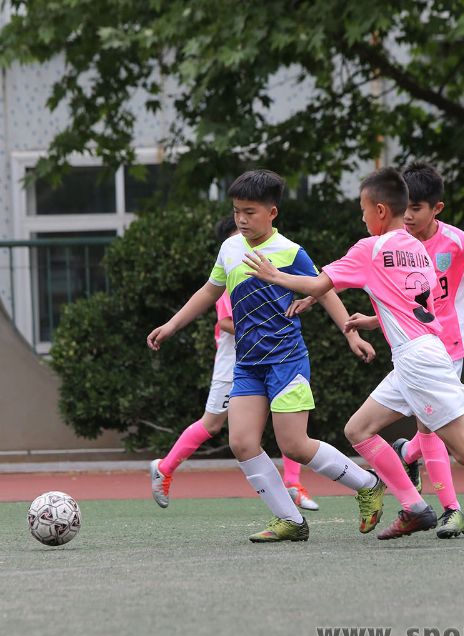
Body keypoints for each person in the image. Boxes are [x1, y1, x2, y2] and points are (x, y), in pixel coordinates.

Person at [244, 167, 464, 547]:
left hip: (419, 361)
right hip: (419, 354)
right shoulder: (417, 249)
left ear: (380, 210)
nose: (361, 216)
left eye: (363, 209)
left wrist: (275, 276)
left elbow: (317, 283)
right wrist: (375, 321)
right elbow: (416, 307)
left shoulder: (370, 248)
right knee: (358, 429)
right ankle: (414, 506)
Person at [147, 169, 385, 543]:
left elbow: (324, 290)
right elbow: (209, 291)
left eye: (250, 212)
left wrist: (350, 333)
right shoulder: (230, 249)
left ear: (272, 212)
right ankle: (290, 520)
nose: (241, 219)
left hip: (286, 360)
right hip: (247, 364)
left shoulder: (290, 251)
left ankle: (369, 484)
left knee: (294, 445)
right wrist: (172, 325)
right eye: (236, 211)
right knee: (242, 443)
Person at [150, 216, 319, 512]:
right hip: (234, 364)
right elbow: (225, 321)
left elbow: (321, 286)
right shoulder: (231, 278)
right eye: (238, 233)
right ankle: (164, 468)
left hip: (268, 357)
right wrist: (262, 326)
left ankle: (293, 484)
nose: (245, 237)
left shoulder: (271, 267)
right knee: (212, 423)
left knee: (286, 417)